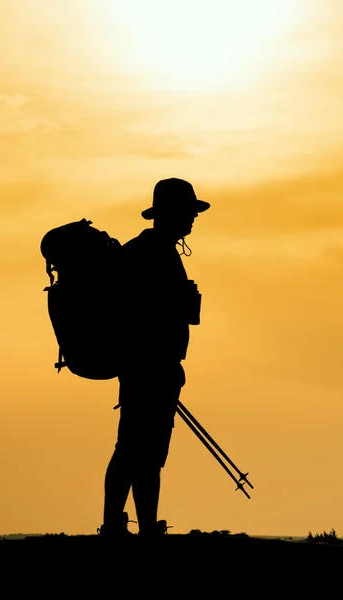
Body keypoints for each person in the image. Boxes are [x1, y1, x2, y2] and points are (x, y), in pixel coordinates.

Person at [98, 178, 210, 537]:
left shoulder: (141, 250)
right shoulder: (156, 254)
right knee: (139, 450)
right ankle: (127, 526)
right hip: (152, 368)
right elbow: (155, 311)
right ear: (171, 214)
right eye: (188, 213)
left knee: (139, 451)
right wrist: (185, 300)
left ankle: (133, 525)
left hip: (144, 367)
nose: (192, 220)